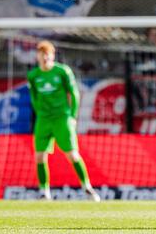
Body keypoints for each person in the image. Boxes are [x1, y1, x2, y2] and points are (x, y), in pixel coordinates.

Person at [27, 40, 101, 202]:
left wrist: (72, 116)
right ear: (38, 56)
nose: (45, 57)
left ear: (52, 55)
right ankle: (44, 192)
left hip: (62, 118)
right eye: (42, 54)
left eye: (47, 54)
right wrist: (40, 111)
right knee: (39, 156)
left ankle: (87, 187)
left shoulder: (62, 72)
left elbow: (74, 94)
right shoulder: (33, 75)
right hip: (44, 120)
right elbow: (34, 97)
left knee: (72, 155)